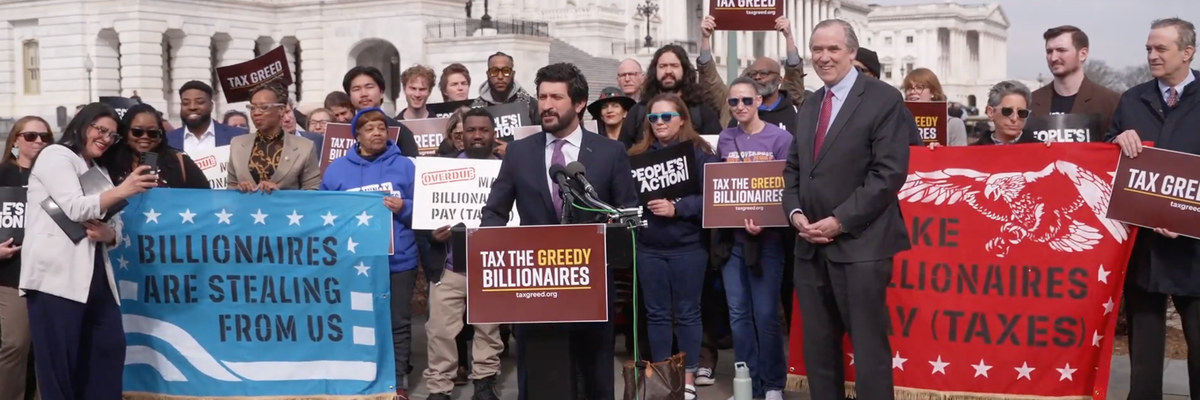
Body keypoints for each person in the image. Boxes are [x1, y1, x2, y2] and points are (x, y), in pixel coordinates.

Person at [481, 62, 638, 400]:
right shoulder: (520, 152)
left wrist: (613, 232)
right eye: (541, 96)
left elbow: (627, 215)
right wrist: (486, 248)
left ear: (579, 103)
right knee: (539, 380)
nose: (546, 105)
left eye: (556, 97)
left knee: (594, 377)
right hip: (533, 291)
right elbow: (494, 211)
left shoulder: (611, 153)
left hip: (591, 289)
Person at [781, 20, 916, 400]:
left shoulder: (883, 99)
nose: (823, 58)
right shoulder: (810, 104)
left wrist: (840, 221)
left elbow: (888, 174)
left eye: (833, 49)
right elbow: (793, 169)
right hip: (809, 247)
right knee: (819, 352)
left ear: (852, 52)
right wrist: (795, 216)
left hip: (861, 248)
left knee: (869, 350)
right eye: (817, 50)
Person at [22, 102, 158, 400]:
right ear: (82, 125)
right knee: (61, 369)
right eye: (100, 130)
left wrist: (109, 234)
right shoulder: (56, 155)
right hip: (55, 281)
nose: (106, 138)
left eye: (112, 135)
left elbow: (117, 225)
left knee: (108, 355)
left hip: (97, 280)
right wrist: (125, 189)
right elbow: (73, 207)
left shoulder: (98, 170)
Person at [1106, 17, 1198, 399]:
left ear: (1187, 52)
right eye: (1148, 48)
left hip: (1194, 253)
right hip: (1144, 251)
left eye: (1161, 48)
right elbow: (1108, 161)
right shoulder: (1132, 99)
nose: (1152, 55)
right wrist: (1116, 139)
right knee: (1143, 358)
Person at [319, 107, 418, 400]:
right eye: (369, 128)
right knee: (359, 320)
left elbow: (424, 209)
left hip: (399, 259)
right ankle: (362, 379)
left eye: (381, 127)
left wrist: (405, 207)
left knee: (398, 322)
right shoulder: (336, 170)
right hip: (355, 262)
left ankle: (397, 382)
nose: (376, 132)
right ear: (357, 135)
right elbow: (325, 214)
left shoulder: (406, 167)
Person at [627, 94, 718, 400]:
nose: (660, 123)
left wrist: (678, 207)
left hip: (689, 247)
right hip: (649, 247)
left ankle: (687, 376)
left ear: (682, 118)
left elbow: (714, 197)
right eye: (654, 118)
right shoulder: (638, 155)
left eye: (667, 117)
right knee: (656, 315)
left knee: (688, 313)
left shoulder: (700, 153)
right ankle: (663, 377)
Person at [716, 77, 793, 400]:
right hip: (732, 241)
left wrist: (766, 221)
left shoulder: (780, 138)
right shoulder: (725, 138)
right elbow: (720, 189)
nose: (740, 107)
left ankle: (773, 383)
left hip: (769, 240)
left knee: (765, 314)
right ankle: (746, 380)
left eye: (746, 100)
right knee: (738, 314)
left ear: (760, 101)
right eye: (734, 102)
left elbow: (786, 188)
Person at [421, 107, 504, 400]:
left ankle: (484, 381)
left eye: (484, 130)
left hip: (491, 267)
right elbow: (424, 217)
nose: (478, 135)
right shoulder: (441, 170)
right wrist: (432, 234)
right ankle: (440, 388)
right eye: (471, 130)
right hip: (450, 266)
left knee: (488, 331)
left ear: (494, 134)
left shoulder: (507, 170)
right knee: (439, 332)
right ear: (461, 136)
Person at [0, 116, 51, 400]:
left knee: (47, 347)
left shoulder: (55, 177)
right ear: (16, 140)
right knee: (15, 344)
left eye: (45, 138)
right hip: (11, 274)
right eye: (31, 136)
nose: (39, 142)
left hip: (49, 274)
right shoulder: (2, 174)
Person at [698, 15, 806, 132]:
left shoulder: (791, 104)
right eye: (752, 75)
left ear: (779, 79)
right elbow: (710, 80)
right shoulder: (732, 106)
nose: (757, 78)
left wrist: (788, 36)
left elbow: (794, 74)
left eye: (764, 73)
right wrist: (705, 38)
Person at [621, 45, 722, 148]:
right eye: (663, 66)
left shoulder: (701, 111)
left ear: (684, 70)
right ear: (654, 70)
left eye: (674, 65)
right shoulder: (638, 112)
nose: (668, 71)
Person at [227, 82, 322, 192]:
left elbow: (312, 193)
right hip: (246, 208)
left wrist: (280, 195)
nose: (256, 113)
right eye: (252, 108)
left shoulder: (305, 147)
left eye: (264, 107)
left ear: (281, 110)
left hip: (286, 208)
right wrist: (237, 189)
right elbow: (230, 187)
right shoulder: (237, 144)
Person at [1031, 25, 1121, 135]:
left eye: (1061, 50)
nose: (1053, 58)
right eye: (1049, 51)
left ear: (1082, 54)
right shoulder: (1030, 102)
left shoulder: (1110, 103)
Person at [99, 103, 210, 189]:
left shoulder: (179, 162)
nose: (145, 137)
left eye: (152, 133)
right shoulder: (109, 163)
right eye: (137, 132)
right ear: (125, 133)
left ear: (160, 136)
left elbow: (205, 198)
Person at [343, 66, 422, 156]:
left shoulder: (401, 132)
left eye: (369, 87)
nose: (363, 94)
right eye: (356, 89)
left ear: (381, 92)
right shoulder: (338, 131)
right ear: (349, 96)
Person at [166, 80, 248, 153]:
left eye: (200, 102)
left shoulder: (237, 136)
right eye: (186, 103)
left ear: (211, 106)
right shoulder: (167, 140)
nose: (192, 107)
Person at [471, 52, 540, 125]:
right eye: (494, 71)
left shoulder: (531, 105)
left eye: (506, 71)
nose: (500, 77)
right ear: (488, 74)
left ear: (513, 74)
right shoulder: (475, 109)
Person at [903, 68, 967, 146]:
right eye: (908, 88)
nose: (912, 92)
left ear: (933, 92)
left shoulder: (953, 124)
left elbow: (960, 156)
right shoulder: (898, 123)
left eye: (919, 87)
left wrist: (940, 152)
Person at [971, 81, 1042, 145]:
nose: (1014, 118)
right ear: (991, 112)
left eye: (1022, 112)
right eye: (1007, 111)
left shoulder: (1041, 150)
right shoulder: (971, 153)